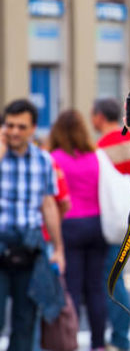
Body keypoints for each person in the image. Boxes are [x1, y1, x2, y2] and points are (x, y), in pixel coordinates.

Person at [0, 99, 65, 351]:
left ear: (33, 129)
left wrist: (58, 248)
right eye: (10, 125)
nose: (14, 131)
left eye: (21, 126)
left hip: (29, 245)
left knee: (26, 320)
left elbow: (48, 205)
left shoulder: (43, 160)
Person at [49, 110, 108, 351]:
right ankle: (98, 344)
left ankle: (70, 341)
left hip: (69, 225)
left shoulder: (54, 158)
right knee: (96, 288)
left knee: (71, 289)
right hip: (96, 224)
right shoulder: (95, 157)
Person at [91, 98, 130, 351]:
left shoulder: (101, 146)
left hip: (110, 219)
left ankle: (120, 339)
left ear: (99, 116)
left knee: (111, 280)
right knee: (118, 276)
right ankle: (121, 337)